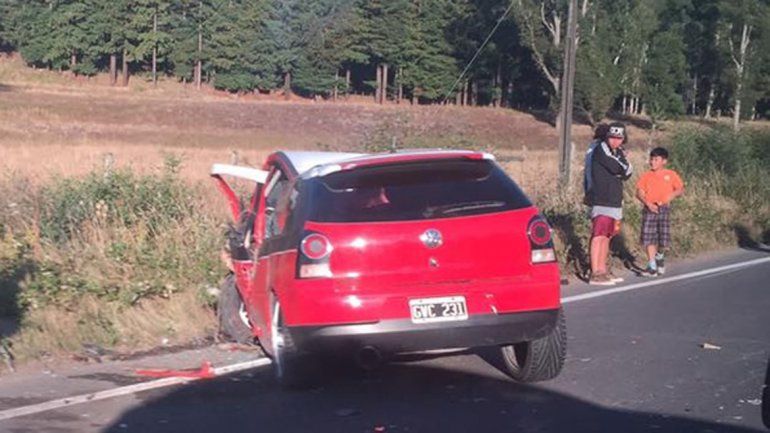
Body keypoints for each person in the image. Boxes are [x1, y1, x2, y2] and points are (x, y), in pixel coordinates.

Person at [588, 122, 633, 286]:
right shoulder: (601, 149)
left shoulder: (618, 152)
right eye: (612, 138)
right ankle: (595, 272)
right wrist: (623, 165)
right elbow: (616, 167)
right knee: (598, 235)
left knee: (607, 236)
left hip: (615, 200)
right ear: (607, 137)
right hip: (601, 199)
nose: (615, 141)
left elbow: (628, 172)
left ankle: (602, 270)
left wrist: (623, 165)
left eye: (619, 138)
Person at [635, 147, 685, 276]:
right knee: (648, 236)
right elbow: (639, 192)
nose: (652, 162)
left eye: (656, 159)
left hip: (664, 208)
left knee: (663, 238)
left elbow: (679, 189)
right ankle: (652, 266)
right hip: (650, 207)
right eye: (651, 159)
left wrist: (671, 196)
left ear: (664, 161)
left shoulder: (671, 174)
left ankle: (660, 255)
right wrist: (647, 203)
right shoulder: (646, 176)